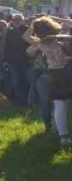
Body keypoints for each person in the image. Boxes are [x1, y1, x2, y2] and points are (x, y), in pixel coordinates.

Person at [25, 15, 72, 146]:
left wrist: (34, 28)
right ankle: (62, 132)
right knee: (64, 105)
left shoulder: (40, 42)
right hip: (67, 72)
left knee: (59, 105)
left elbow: (28, 51)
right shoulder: (63, 39)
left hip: (53, 73)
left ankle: (62, 135)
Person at [1, 14, 31, 107]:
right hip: (13, 61)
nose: (16, 21)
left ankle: (28, 101)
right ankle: (20, 101)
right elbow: (7, 46)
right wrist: (5, 60)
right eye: (14, 19)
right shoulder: (10, 31)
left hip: (26, 60)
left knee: (27, 81)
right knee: (16, 82)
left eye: (18, 19)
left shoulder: (28, 30)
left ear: (23, 20)